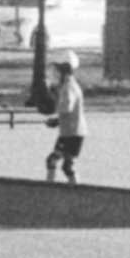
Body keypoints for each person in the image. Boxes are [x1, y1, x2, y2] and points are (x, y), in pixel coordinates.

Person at [41, 52, 87, 180]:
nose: (56, 73)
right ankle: (51, 190)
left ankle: (69, 191)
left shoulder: (69, 87)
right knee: (57, 163)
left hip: (73, 133)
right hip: (69, 132)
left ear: (64, 70)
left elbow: (67, 108)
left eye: (58, 70)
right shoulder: (66, 86)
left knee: (63, 165)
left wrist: (55, 121)